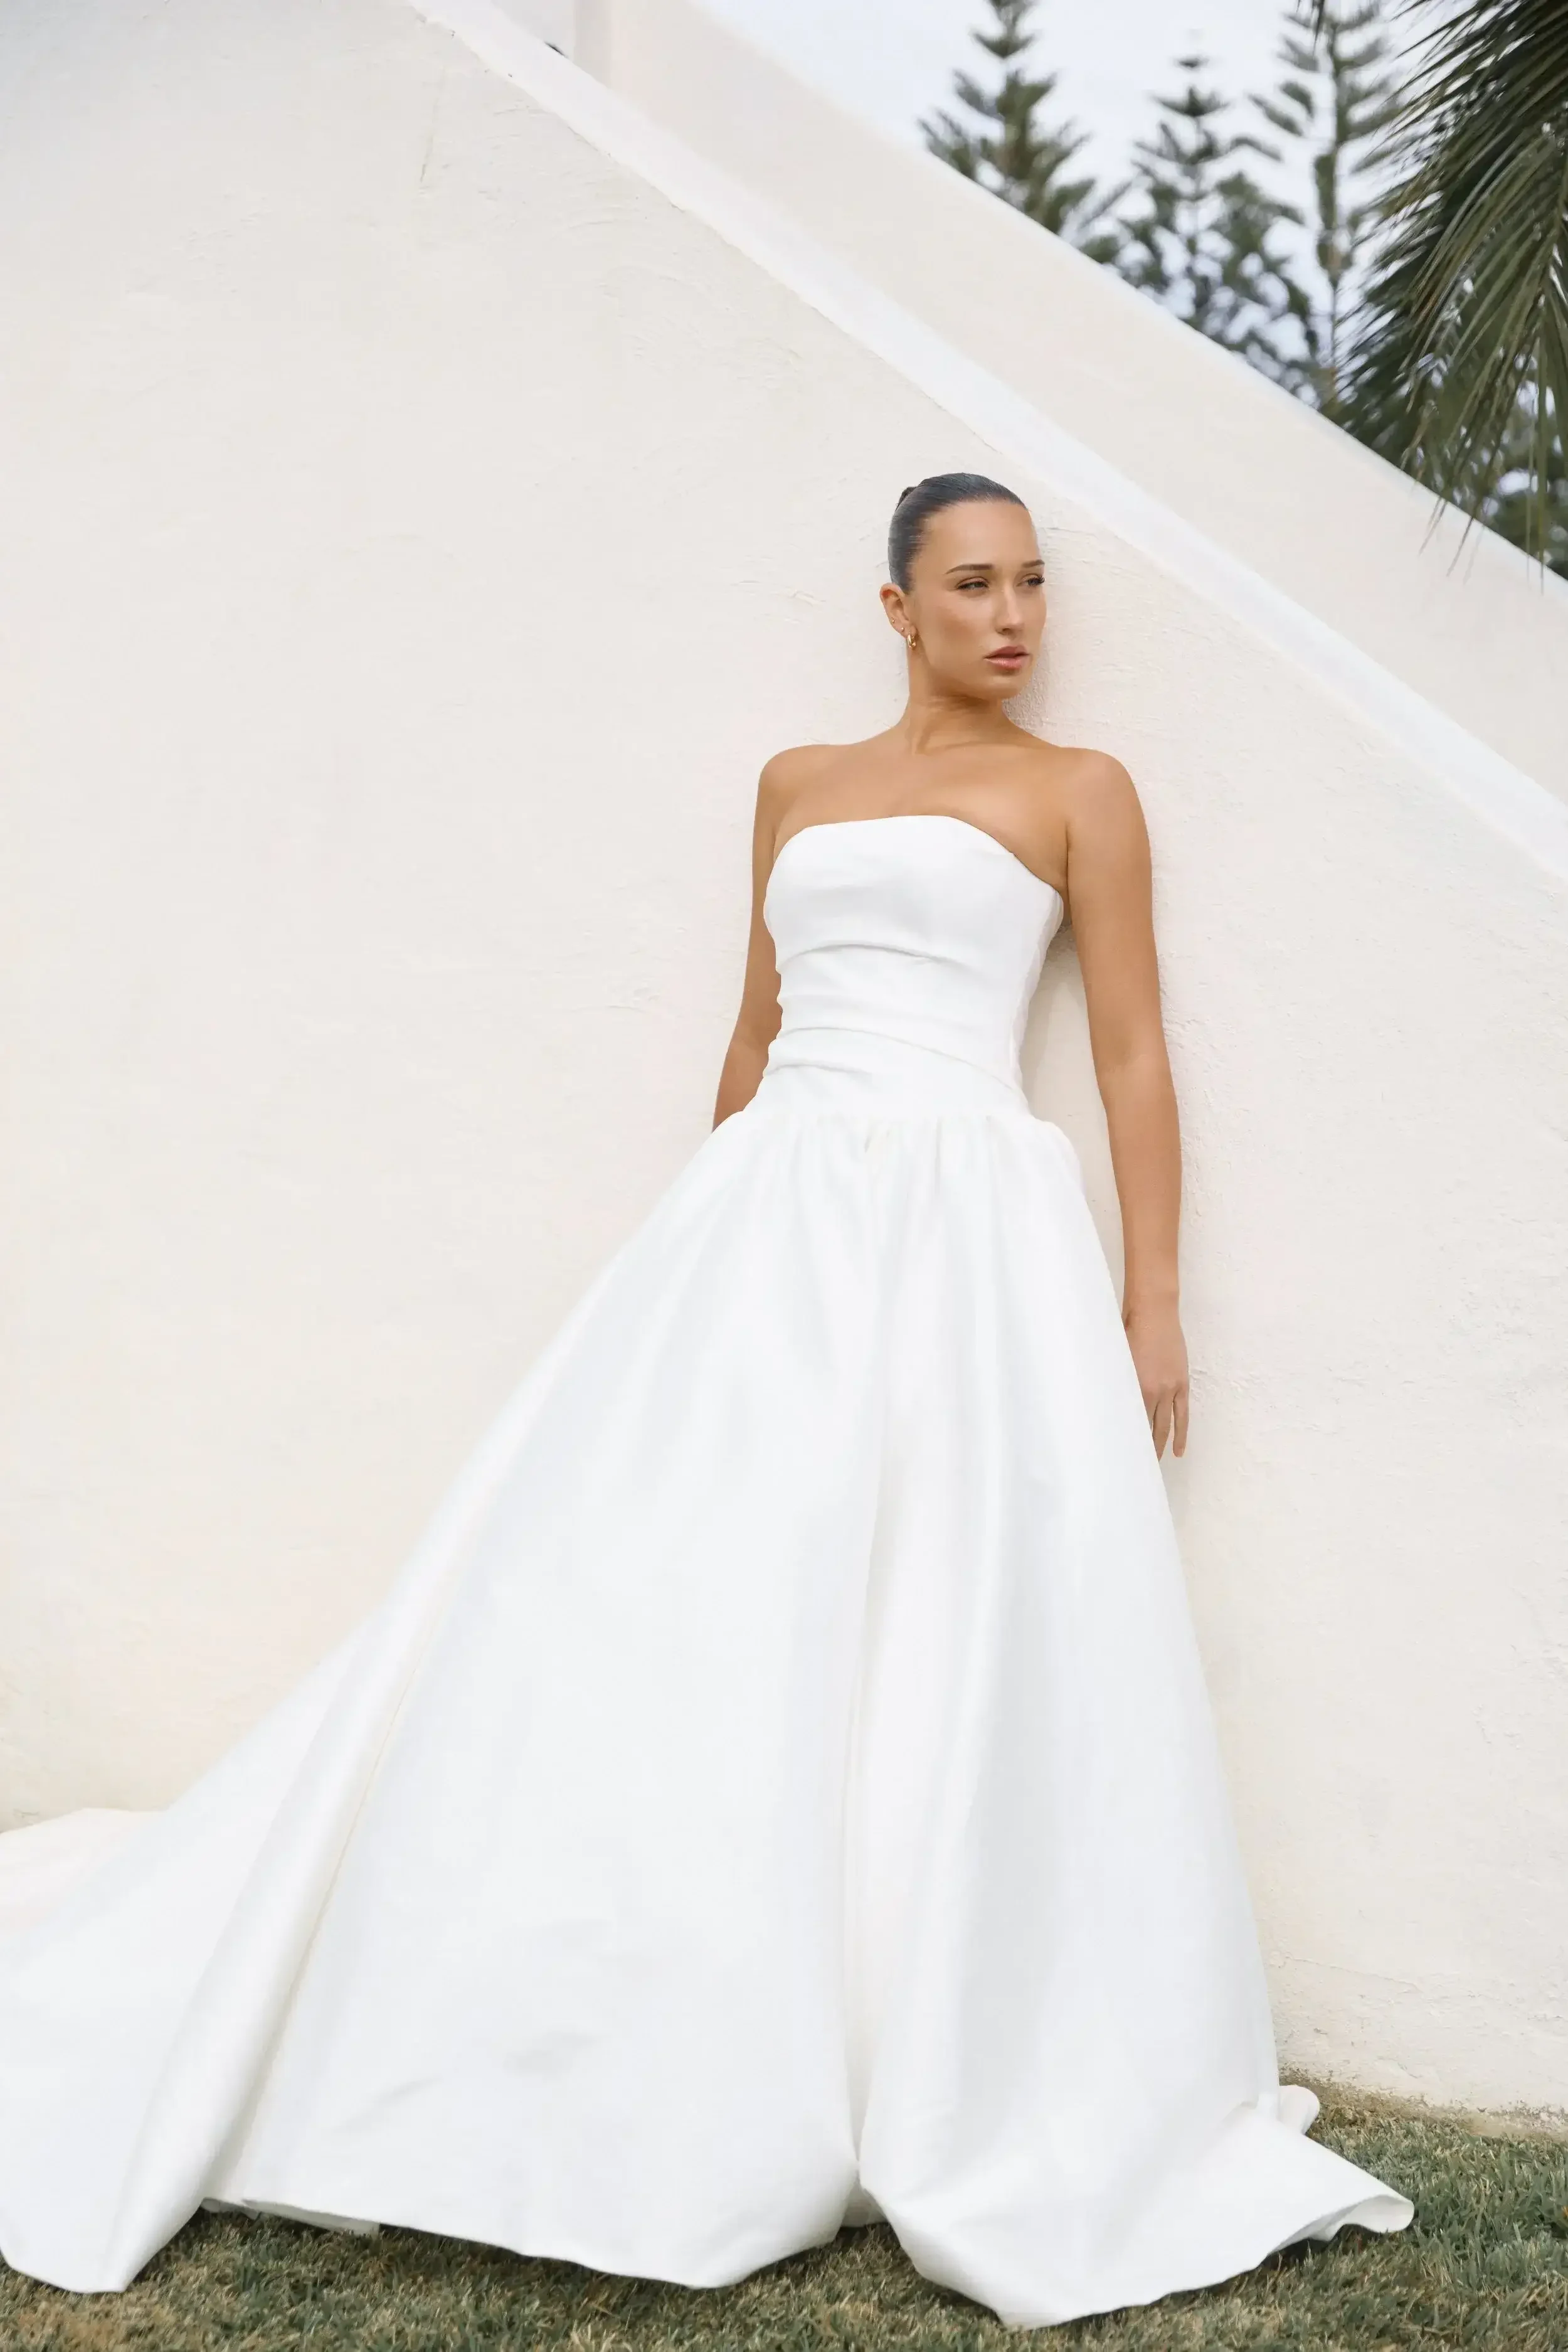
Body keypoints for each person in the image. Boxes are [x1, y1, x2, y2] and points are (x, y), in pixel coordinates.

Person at [0, 473, 1412, 2328]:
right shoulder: (795, 785)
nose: (1014, 616)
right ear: (893, 602)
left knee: (933, 1609)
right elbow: (751, 1030)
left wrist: (1149, 1298)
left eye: (1034, 584)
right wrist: (693, 1238)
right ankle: (613, 1992)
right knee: (682, 1596)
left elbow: (1133, 1049)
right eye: (972, 584)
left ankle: (892, 2016)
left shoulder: (1082, 794)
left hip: (965, 1220)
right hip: (765, 1219)